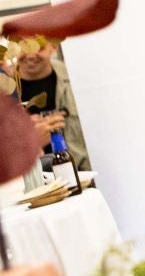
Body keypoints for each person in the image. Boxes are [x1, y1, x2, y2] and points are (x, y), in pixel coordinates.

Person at [7, 37, 89, 186]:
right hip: (28, 191)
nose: (31, 55)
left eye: (39, 47)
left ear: (54, 46)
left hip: (81, 181)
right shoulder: (4, 88)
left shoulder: (78, 79)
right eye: (24, 47)